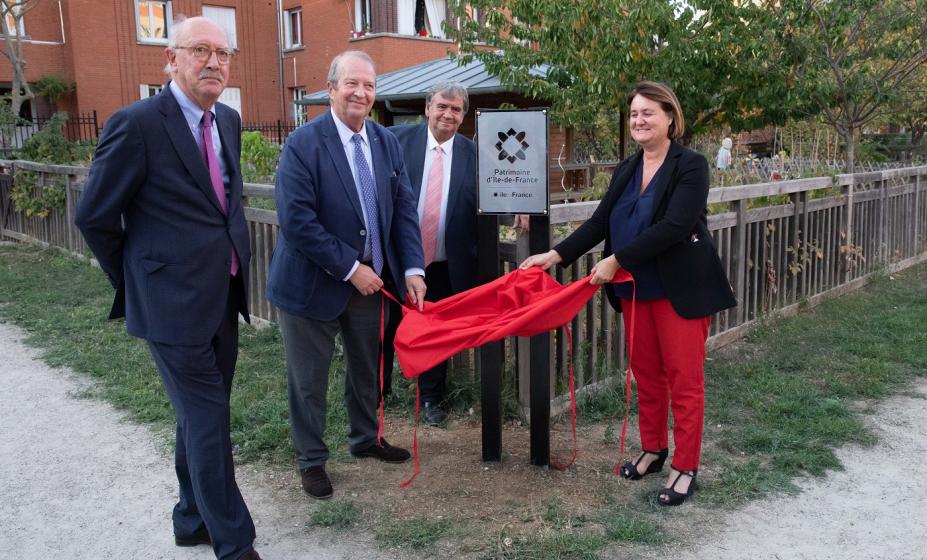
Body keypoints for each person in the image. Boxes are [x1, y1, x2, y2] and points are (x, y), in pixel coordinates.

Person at [74, 17, 262, 560]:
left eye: (223, 54)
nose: (214, 63)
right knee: (208, 420)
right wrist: (137, 279)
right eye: (200, 50)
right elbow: (95, 216)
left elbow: (220, 203)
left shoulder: (225, 119)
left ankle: (190, 519)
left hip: (222, 297)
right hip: (170, 306)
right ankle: (234, 542)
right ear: (171, 59)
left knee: (199, 415)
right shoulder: (135, 124)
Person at [520, 81, 736, 506]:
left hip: (679, 291)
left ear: (670, 118)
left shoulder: (690, 166)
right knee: (647, 377)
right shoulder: (626, 168)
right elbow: (600, 224)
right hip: (637, 292)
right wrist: (556, 254)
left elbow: (674, 226)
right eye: (634, 113)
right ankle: (654, 450)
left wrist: (616, 261)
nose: (639, 120)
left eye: (648, 113)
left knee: (684, 381)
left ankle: (685, 466)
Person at [266, 51, 426, 500]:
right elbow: (296, 220)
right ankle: (312, 460)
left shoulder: (385, 141)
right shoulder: (303, 142)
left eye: (369, 86)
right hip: (311, 284)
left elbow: (403, 213)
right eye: (351, 84)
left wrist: (412, 267)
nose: (360, 93)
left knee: (367, 370)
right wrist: (351, 268)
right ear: (331, 88)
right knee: (308, 380)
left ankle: (365, 438)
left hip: (371, 287)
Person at [383, 81, 478, 426]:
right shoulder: (395, 142)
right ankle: (379, 392)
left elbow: (501, 193)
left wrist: (521, 208)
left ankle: (432, 399)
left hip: (442, 264)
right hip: (395, 259)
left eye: (456, 109)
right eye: (442, 106)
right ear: (427, 108)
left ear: (463, 115)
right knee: (385, 327)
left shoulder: (475, 155)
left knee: (434, 334)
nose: (448, 114)